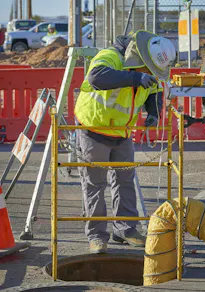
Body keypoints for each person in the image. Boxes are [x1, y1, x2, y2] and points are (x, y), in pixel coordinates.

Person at [74, 30, 176, 254]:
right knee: (94, 185)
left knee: (125, 181)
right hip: (93, 129)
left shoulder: (144, 73)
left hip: (121, 132)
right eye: (148, 69)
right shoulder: (110, 57)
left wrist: (153, 111)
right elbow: (96, 77)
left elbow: (155, 89)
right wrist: (134, 78)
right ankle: (97, 236)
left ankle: (126, 229)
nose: (150, 73)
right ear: (140, 58)